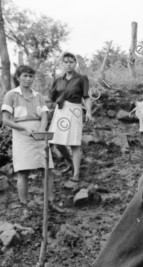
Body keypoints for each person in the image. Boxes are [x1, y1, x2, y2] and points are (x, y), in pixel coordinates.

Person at [1, 65, 57, 217]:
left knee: (47, 169)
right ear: (18, 77)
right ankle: (24, 206)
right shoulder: (11, 95)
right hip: (22, 135)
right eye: (25, 76)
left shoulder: (38, 96)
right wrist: (24, 129)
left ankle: (50, 203)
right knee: (23, 171)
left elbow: (44, 115)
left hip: (39, 134)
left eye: (31, 76)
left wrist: (42, 128)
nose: (28, 79)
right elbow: (5, 120)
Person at [48, 52, 93, 182]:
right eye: (66, 62)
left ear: (75, 63)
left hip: (74, 110)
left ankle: (76, 173)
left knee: (74, 143)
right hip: (60, 111)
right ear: (63, 64)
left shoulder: (81, 78)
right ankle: (69, 162)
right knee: (56, 142)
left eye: (71, 62)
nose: (68, 65)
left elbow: (86, 97)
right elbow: (51, 98)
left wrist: (89, 112)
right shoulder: (58, 80)